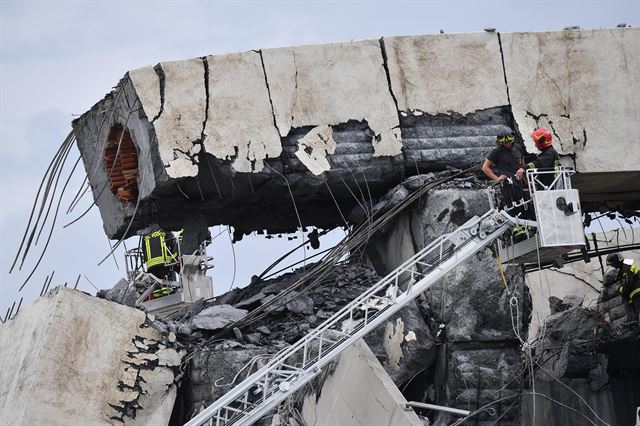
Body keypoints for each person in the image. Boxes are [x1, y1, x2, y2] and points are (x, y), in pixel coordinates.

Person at [606, 253, 640, 318]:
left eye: (613, 264)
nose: (613, 266)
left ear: (617, 261)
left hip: (637, 293)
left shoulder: (625, 270)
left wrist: (619, 288)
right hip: (636, 292)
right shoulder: (628, 266)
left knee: (638, 312)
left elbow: (628, 286)